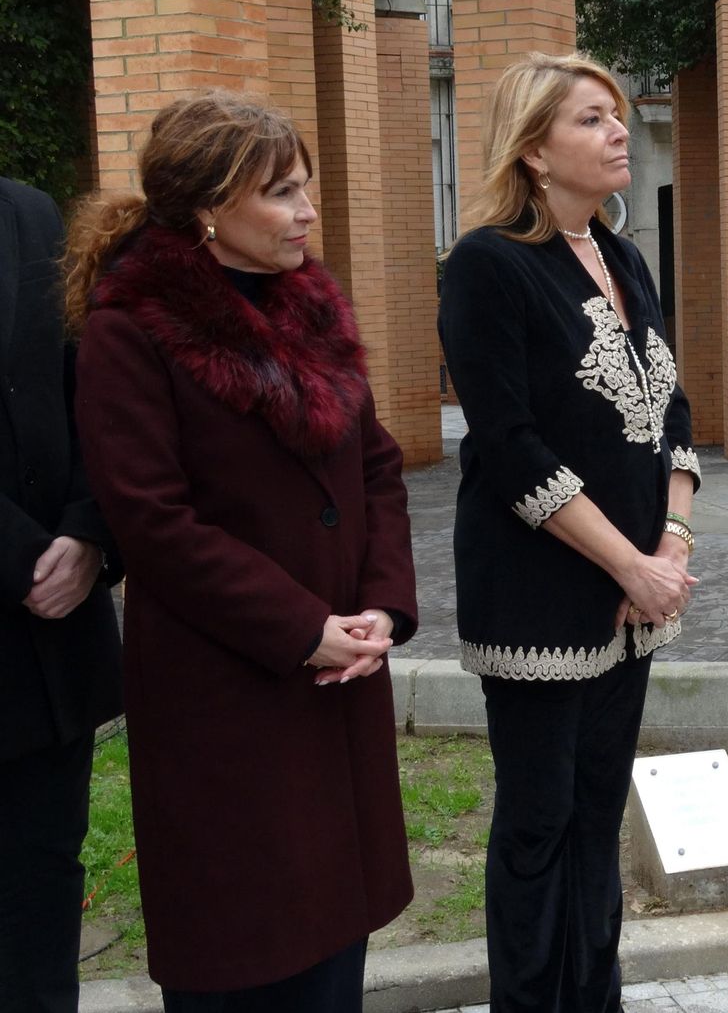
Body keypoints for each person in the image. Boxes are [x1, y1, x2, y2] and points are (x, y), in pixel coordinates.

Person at [64, 92, 417, 1011]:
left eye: (305, 188)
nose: (308, 210)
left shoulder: (311, 302)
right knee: (246, 949)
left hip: (340, 677)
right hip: (227, 691)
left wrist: (382, 605)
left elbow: (375, 463)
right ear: (211, 207)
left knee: (335, 939)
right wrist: (304, 627)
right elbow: (153, 521)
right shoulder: (129, 331)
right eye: (284, 192)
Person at [439, 52, 699, 1012]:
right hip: (541, 591)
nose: (619, 131)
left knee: (598, 814)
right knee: (541, 820)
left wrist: (671, 547)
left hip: (637, 594)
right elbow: (508, 446)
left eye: (616, 115)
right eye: (592, 119)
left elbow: (670, 413)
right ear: (535, 150)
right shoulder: (486, 265)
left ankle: (597, 996)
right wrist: (631, 560)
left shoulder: (624, 255)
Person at [0, 178, 123, 1013]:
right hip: (26, 588)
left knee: (43, 896)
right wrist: (26, 556)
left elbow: (92, 385)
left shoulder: (29, 211)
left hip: (50, 659)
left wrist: (88, 532)